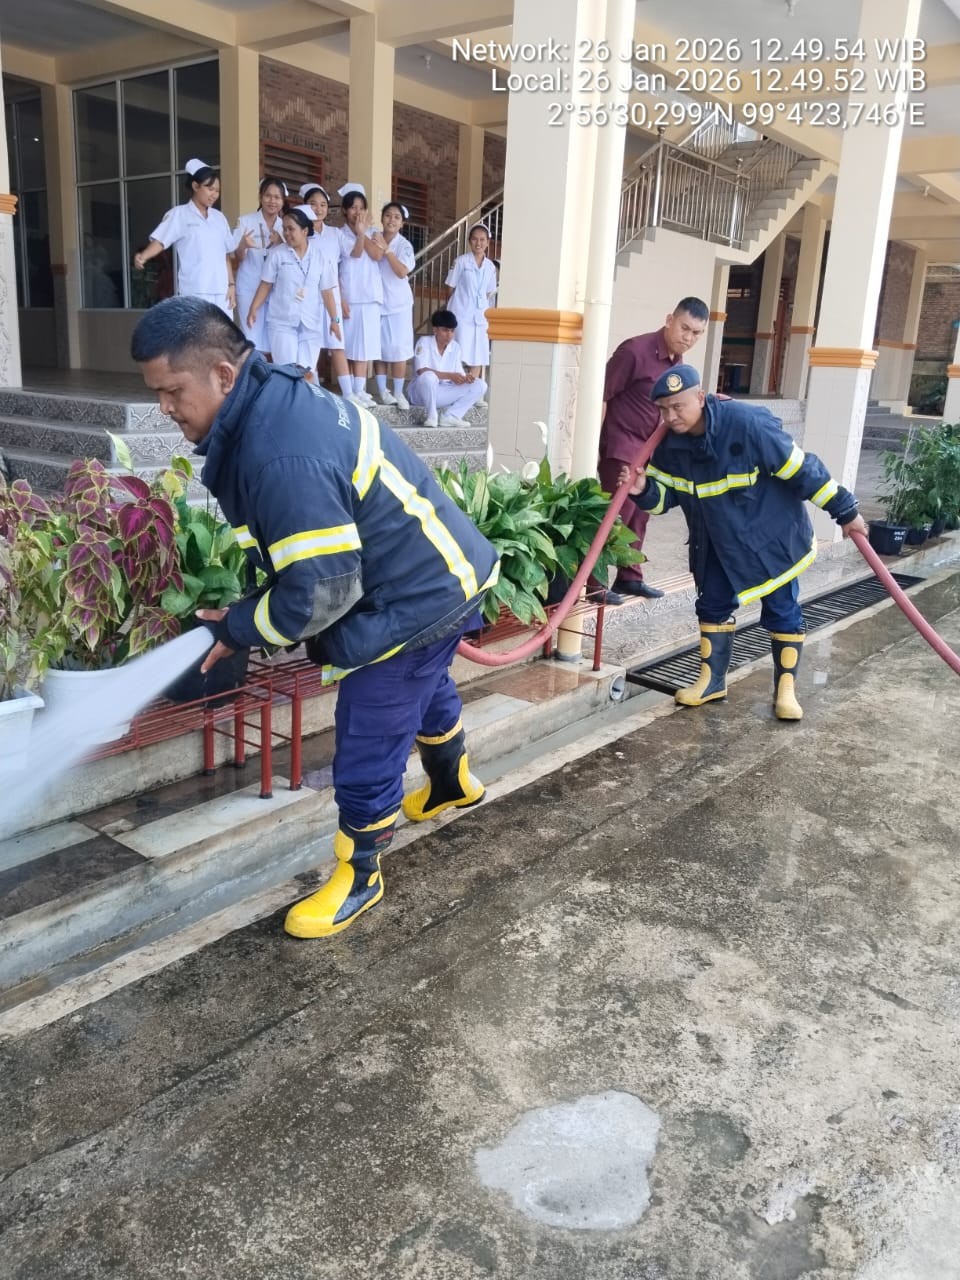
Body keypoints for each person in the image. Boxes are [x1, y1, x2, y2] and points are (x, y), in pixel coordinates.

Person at [130, 297, 499, 939]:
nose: (164, 408)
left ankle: (361, 873)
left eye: (171, 391)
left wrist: (239, 627)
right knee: (426, 686)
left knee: (370, 727)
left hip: (414, 597)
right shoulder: (271, 396)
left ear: (222, 373)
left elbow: (318, 593)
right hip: (430, 575)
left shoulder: (281, 450)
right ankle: (452, 782)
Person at [620, 365, 869, 721]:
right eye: (663, 409)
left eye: (678, 406)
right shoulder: (667, 446)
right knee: (712, 607)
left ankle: (785, 691)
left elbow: (802, 470)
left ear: (701, 398)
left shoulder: (748, 425)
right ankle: (712, 681)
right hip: (716, 542)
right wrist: (643, 490)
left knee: (782, 610)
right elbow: (667, 500)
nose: (670, 416)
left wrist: (845, 511)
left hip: (769, 539)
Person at [600, 298, 709, 600]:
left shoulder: (678, 364)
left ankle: (629, 577)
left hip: (649, 453)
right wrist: (595, 448)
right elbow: (601, 395)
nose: (688, 337)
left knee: (639, 514)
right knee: (613, 515)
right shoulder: (634, 351)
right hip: (621, 446)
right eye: (685, 328)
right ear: (669, 319)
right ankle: (593, 585)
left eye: (696, 333)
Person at [133, 159, 237, 316]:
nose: (214, 195)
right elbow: (161, 240)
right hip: (195, 290)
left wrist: (231, 285)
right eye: (210, 189)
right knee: (197, 336)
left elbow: (225, 254)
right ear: (195, 186)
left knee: (222, 337)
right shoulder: (180, 214)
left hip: (221, 291)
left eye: (217, 191)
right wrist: (143, 256)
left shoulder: (219, 218)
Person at [245, 207, 340, 376]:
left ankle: (305, 403)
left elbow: (327, 292)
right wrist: (253, 308)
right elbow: (265, 284)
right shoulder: (277, 255)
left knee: (307, 373)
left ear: (304, 231)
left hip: (310, 323)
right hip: (282, 322)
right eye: (284, 229)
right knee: (286, 372)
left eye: (291, 229)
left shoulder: (320, 257)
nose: (287, 233)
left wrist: (334, 320)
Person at [299, 183, 352, 401]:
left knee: (336, 344)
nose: (318, 209)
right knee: (311, 345)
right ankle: (315, 391)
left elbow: (349, 259)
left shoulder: (335, 234)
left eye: (322, 204)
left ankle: (350, 394)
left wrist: (343, 298)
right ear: (304, 206)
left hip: (331, 297)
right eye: (313, 204)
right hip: (309, 298)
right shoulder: (301, 234)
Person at [337, 183, 384, 407]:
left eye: (361, 208)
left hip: (371, 295)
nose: (357, 212)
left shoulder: (375, 233)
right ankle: (351, 390)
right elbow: (355, 253)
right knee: (351, 345)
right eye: (353, 207)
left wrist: (364, 233)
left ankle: (360, 389)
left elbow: (376, 255)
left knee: (366, 345)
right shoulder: (340, 235)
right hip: (352, 295)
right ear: (345, 210)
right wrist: (360, 234)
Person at [231, 177, 287, 353]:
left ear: (283, 201)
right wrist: (243, 245)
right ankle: (254, 378)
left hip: (276, 290)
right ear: (260, 197)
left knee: (274, 340)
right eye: (268, 196)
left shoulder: (285, 226)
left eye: (277, 197)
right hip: (249, 287)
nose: (272, 201)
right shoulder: (246, 221)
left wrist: (281, 242)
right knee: (252, 339)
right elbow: (236, 258)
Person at [409, 309, 487, 428]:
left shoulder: (455, 347)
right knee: (429, 377)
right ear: (435, 330)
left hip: (442, 392)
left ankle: (451, 416)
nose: (449, 335)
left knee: (480, 385)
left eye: (452, 331)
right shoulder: (424, 342)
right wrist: (450, 376)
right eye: (445, 330)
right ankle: (432, 416)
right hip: (420, 394)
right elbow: (421, 371)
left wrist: (466, 378)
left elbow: (458, 372)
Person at [371, 201, 416, 409]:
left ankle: (398, 393)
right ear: (382, 219)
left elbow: (401, 272)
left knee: (398, 350)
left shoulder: (405, 245)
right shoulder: (373, 238)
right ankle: (382, 392)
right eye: (388, 215)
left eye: (396, 217)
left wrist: (388, 251)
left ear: (402, 224)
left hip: (399, 305)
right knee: (379, 350)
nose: (391, 220)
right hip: (377, 303)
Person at [444, 222, 497, 378]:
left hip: (480, 316)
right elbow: (450, 287)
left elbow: (489, 292)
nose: (478, 243)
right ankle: (456, 388)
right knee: (459, 351)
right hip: (461, 313)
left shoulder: (490, 267)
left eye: (482, 240)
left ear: (487, 242)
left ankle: (473, 390)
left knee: (478, 354)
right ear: (469, 241)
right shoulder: (461, 262)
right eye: (474, 239)